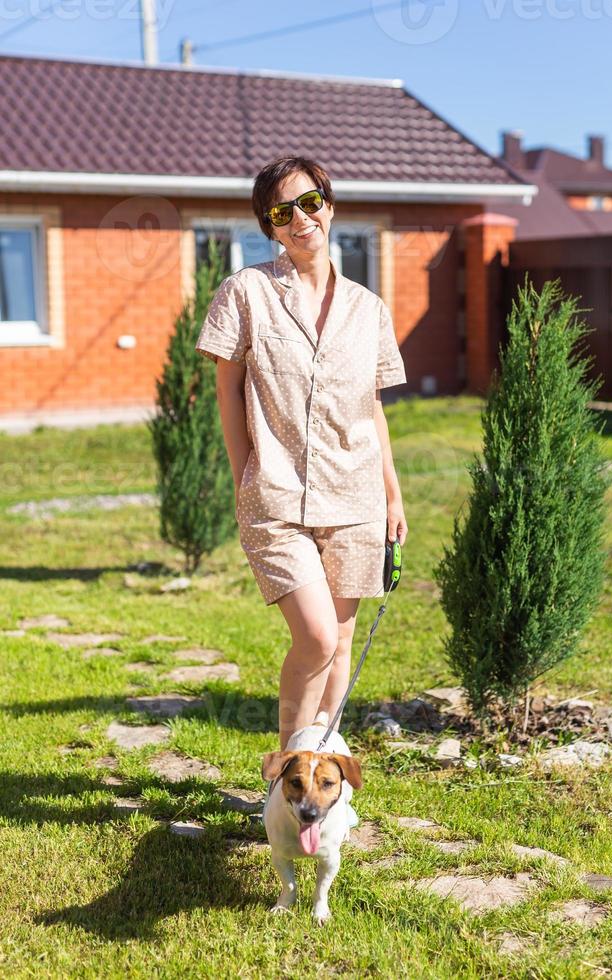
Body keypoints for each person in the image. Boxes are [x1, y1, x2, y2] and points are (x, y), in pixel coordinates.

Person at [195, 156, 408, 824]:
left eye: (309, 202)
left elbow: (371, 407)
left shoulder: (367, 308)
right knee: (315, 638)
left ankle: (313, 782)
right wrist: (242, 476)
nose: (300, 220)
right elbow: (227, 389)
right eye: (281, 212)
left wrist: (393, 494)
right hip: (277, 494)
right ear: (269, 227)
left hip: (357, 494)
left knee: (340, 647)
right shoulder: (246, 294)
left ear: (330, 206)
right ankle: (289, 772)